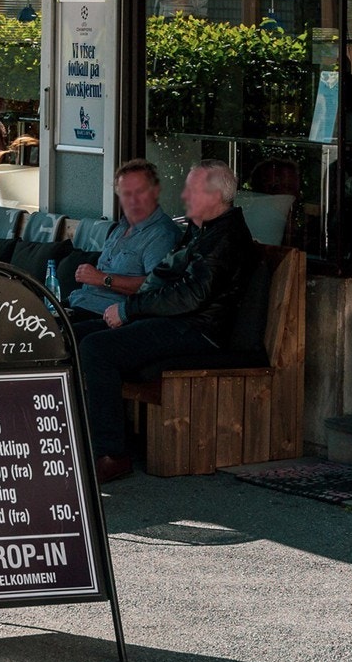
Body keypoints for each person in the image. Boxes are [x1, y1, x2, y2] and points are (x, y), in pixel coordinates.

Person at [75, 160, 255, 483]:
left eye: (192, 189)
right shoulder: (201, 229)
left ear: (215, 195)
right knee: (72, 335)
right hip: (176, 320)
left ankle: (112, 454)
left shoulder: (226, 237)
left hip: (199, 330)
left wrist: (130, 310)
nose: (184, 195)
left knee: (97, 349)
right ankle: (71, 440)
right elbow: (164, 277)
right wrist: (131, 308)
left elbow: (190, 296)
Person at [65, 160, 183, 319]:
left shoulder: (162, 234)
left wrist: (103, 279)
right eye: (126, 193)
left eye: (140, 191)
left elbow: (157, 288)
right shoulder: (121, 227)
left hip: (108, 316)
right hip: (78, 301)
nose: (133, 200)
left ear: (155, 191)